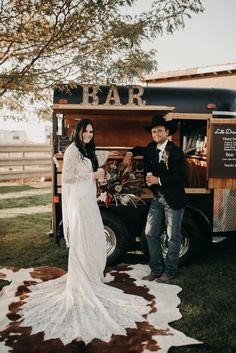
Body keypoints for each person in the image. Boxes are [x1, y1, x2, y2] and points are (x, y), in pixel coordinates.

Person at [19, 119, 150, 345]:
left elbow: (96, 158)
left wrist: (118, 152)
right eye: (85, 131)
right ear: (78, 132)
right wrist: (92, 177)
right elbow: (68, 176)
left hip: (89, 201)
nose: (88, 134)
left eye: (91, 131)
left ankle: (91, 274)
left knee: (95, 238)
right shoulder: (71, 151)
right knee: (82, 239)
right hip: (79, 202)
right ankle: (82, 281)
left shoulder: (86, 150)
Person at [123, 115, 187, 283]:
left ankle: (170, 271)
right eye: (153, 131)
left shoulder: (175, 151)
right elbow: (138, 149)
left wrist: (158, 180)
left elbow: (181, 175)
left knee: (173, 237)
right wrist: (129, 153)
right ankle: (156, 269)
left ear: (167, 132)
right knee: (150, 233)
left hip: (174, 199)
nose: (156, 133)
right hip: (157, 198)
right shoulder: (152, 148)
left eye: (159, 130)